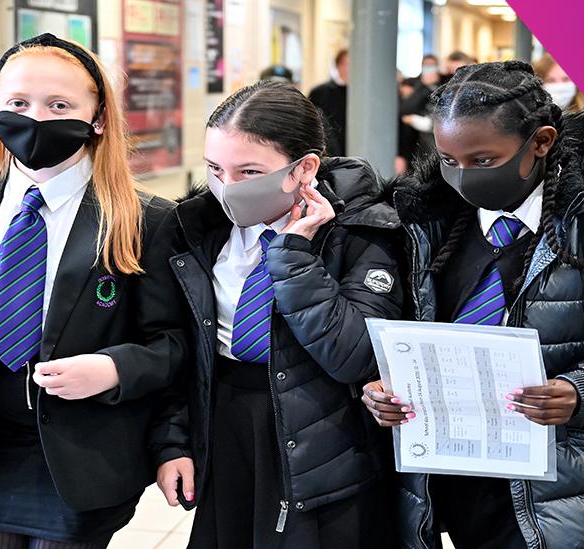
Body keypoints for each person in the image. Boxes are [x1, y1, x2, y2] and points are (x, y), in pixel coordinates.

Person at [362, 61, 584, 548]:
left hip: (569, 485)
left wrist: (582, 389)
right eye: (448, 160)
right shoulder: (424, 228)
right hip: (448, 479)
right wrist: (382, 388)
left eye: (483, 161)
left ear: (540, 142)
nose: (463, 178)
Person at [0, 33, 187, 548]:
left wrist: (114, 368)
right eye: (18, 104)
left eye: (60, 105)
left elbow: (175, 345)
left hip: (89, 451)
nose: (37, 119)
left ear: (97, 118)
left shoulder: (143, 220)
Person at [152, 80, 403, 548]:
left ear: (304, 168)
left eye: (248, 172)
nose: (227, 188)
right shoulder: (198, 227)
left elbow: (355, 355)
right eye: (214, 169)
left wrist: (294, 255)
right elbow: (180, 348)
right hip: (225, 425)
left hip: (319, 436)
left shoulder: (363, 231)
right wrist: (172, 443)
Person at [309, 49, 349, 156]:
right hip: (329, 152)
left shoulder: (362, 95)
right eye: (345, 64)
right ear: (338, 65)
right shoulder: (320, 92)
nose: (349, 69)